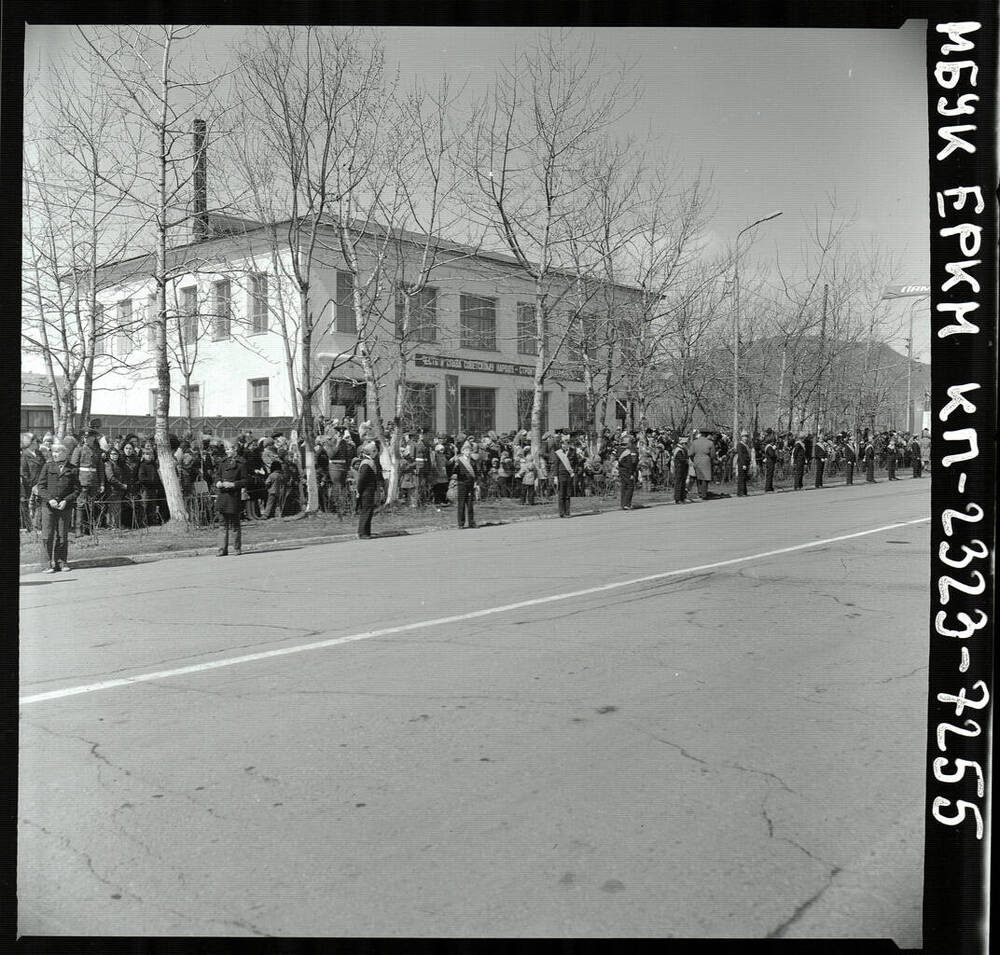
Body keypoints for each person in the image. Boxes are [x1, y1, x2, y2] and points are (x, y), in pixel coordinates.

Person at [37, 442, 79, 572]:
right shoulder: (47, 466)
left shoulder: (73, 469)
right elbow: (41, 487)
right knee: (47, 535)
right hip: (48, 506)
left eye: (58, 452)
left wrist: (66, 501)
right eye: (53, 452)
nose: (54, 454)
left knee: (62, 535)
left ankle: (61, 562)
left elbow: (77, 490)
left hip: (64, 507)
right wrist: (50, 499)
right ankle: (47, 564)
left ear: (65, 454)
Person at [215, 439, 247, 555]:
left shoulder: (241, 463)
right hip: (223, 496)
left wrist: (233, 484)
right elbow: (217, 475)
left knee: (235, 525)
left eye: (229, 449)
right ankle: (222, 549)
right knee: (222, 525)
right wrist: (218, 482)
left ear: (235, 449)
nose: (227, 452)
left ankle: (237, 548)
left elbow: (245, 480)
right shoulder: (222, 462)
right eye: (226, 449)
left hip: (234, 496)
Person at [355, 441, 379, 539]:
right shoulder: (366, 464)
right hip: (366, 491)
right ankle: (363, 533)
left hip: (369, 490)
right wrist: (359, 491)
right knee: (366, 511)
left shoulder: (368, 462)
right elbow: (362, 479)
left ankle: (366, 532)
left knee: (368, 511)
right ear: (372, 451)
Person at [454, 441, 478, 529]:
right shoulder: (459, 461)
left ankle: (471, 522)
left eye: (469, 450)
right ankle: (461, 523)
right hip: (462, 483)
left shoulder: (473, 461)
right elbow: (453, 472)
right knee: (461, 504)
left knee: (470, 504)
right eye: (466, 450)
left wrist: (476, 483)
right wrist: (455, 466)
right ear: (463, 451)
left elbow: (476, 473)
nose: (468, 452)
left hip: (470, 484)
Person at [553, 434, 577, 518]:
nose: (563, 445)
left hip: (569, 474)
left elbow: (575, 463)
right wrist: (555, 477)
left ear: (568, 444)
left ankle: (567, 512)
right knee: (561, 494)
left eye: (565, 443)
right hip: (561, 474)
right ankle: (561, 512)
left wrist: (575, 472)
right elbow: (556, 465)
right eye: (562, 443)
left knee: (568, 494)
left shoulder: (573, 452)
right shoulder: (558, 453)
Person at [689, 429, 715, 500]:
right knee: (705, 478)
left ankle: (699, 492)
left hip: (696, 460)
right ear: (707, 435)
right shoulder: (710, 443)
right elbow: (713, 455)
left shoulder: (694, 442)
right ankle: (704, 494)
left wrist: (693, 459)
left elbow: (690, 453)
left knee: (698, 477)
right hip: (706, 461)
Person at [618, 439, 639, 510]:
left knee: (624, 487)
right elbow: (632, 463)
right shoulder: (631, 451)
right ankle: (627, 504)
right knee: (630, 486)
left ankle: (623, 504)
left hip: (622, 471)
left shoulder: (621, 451)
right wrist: (631, 473)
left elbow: (620, 462)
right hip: (628, 471)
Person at [671, 437, 689, 503]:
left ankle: (682, 497)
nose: (686, 445)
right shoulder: (678, 450)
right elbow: (681, 459)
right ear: (682, 443)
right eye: (685, 443)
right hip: (679, 468)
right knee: (679, 483)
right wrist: (686, 460)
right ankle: (678, 498)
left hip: (683, 468)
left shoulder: (683, 449)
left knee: (682, 483)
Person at [736, 431, 751, 497]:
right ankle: (741, 492)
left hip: (746, 463)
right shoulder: (739, 445)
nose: (745, 438)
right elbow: (741, 455)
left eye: (746, 437)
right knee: (741, 478)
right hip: (742, 463)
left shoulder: (746, 445)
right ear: (741, 437)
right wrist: (743, 464)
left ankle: (744, 492)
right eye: (744, 437)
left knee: (744, 477)